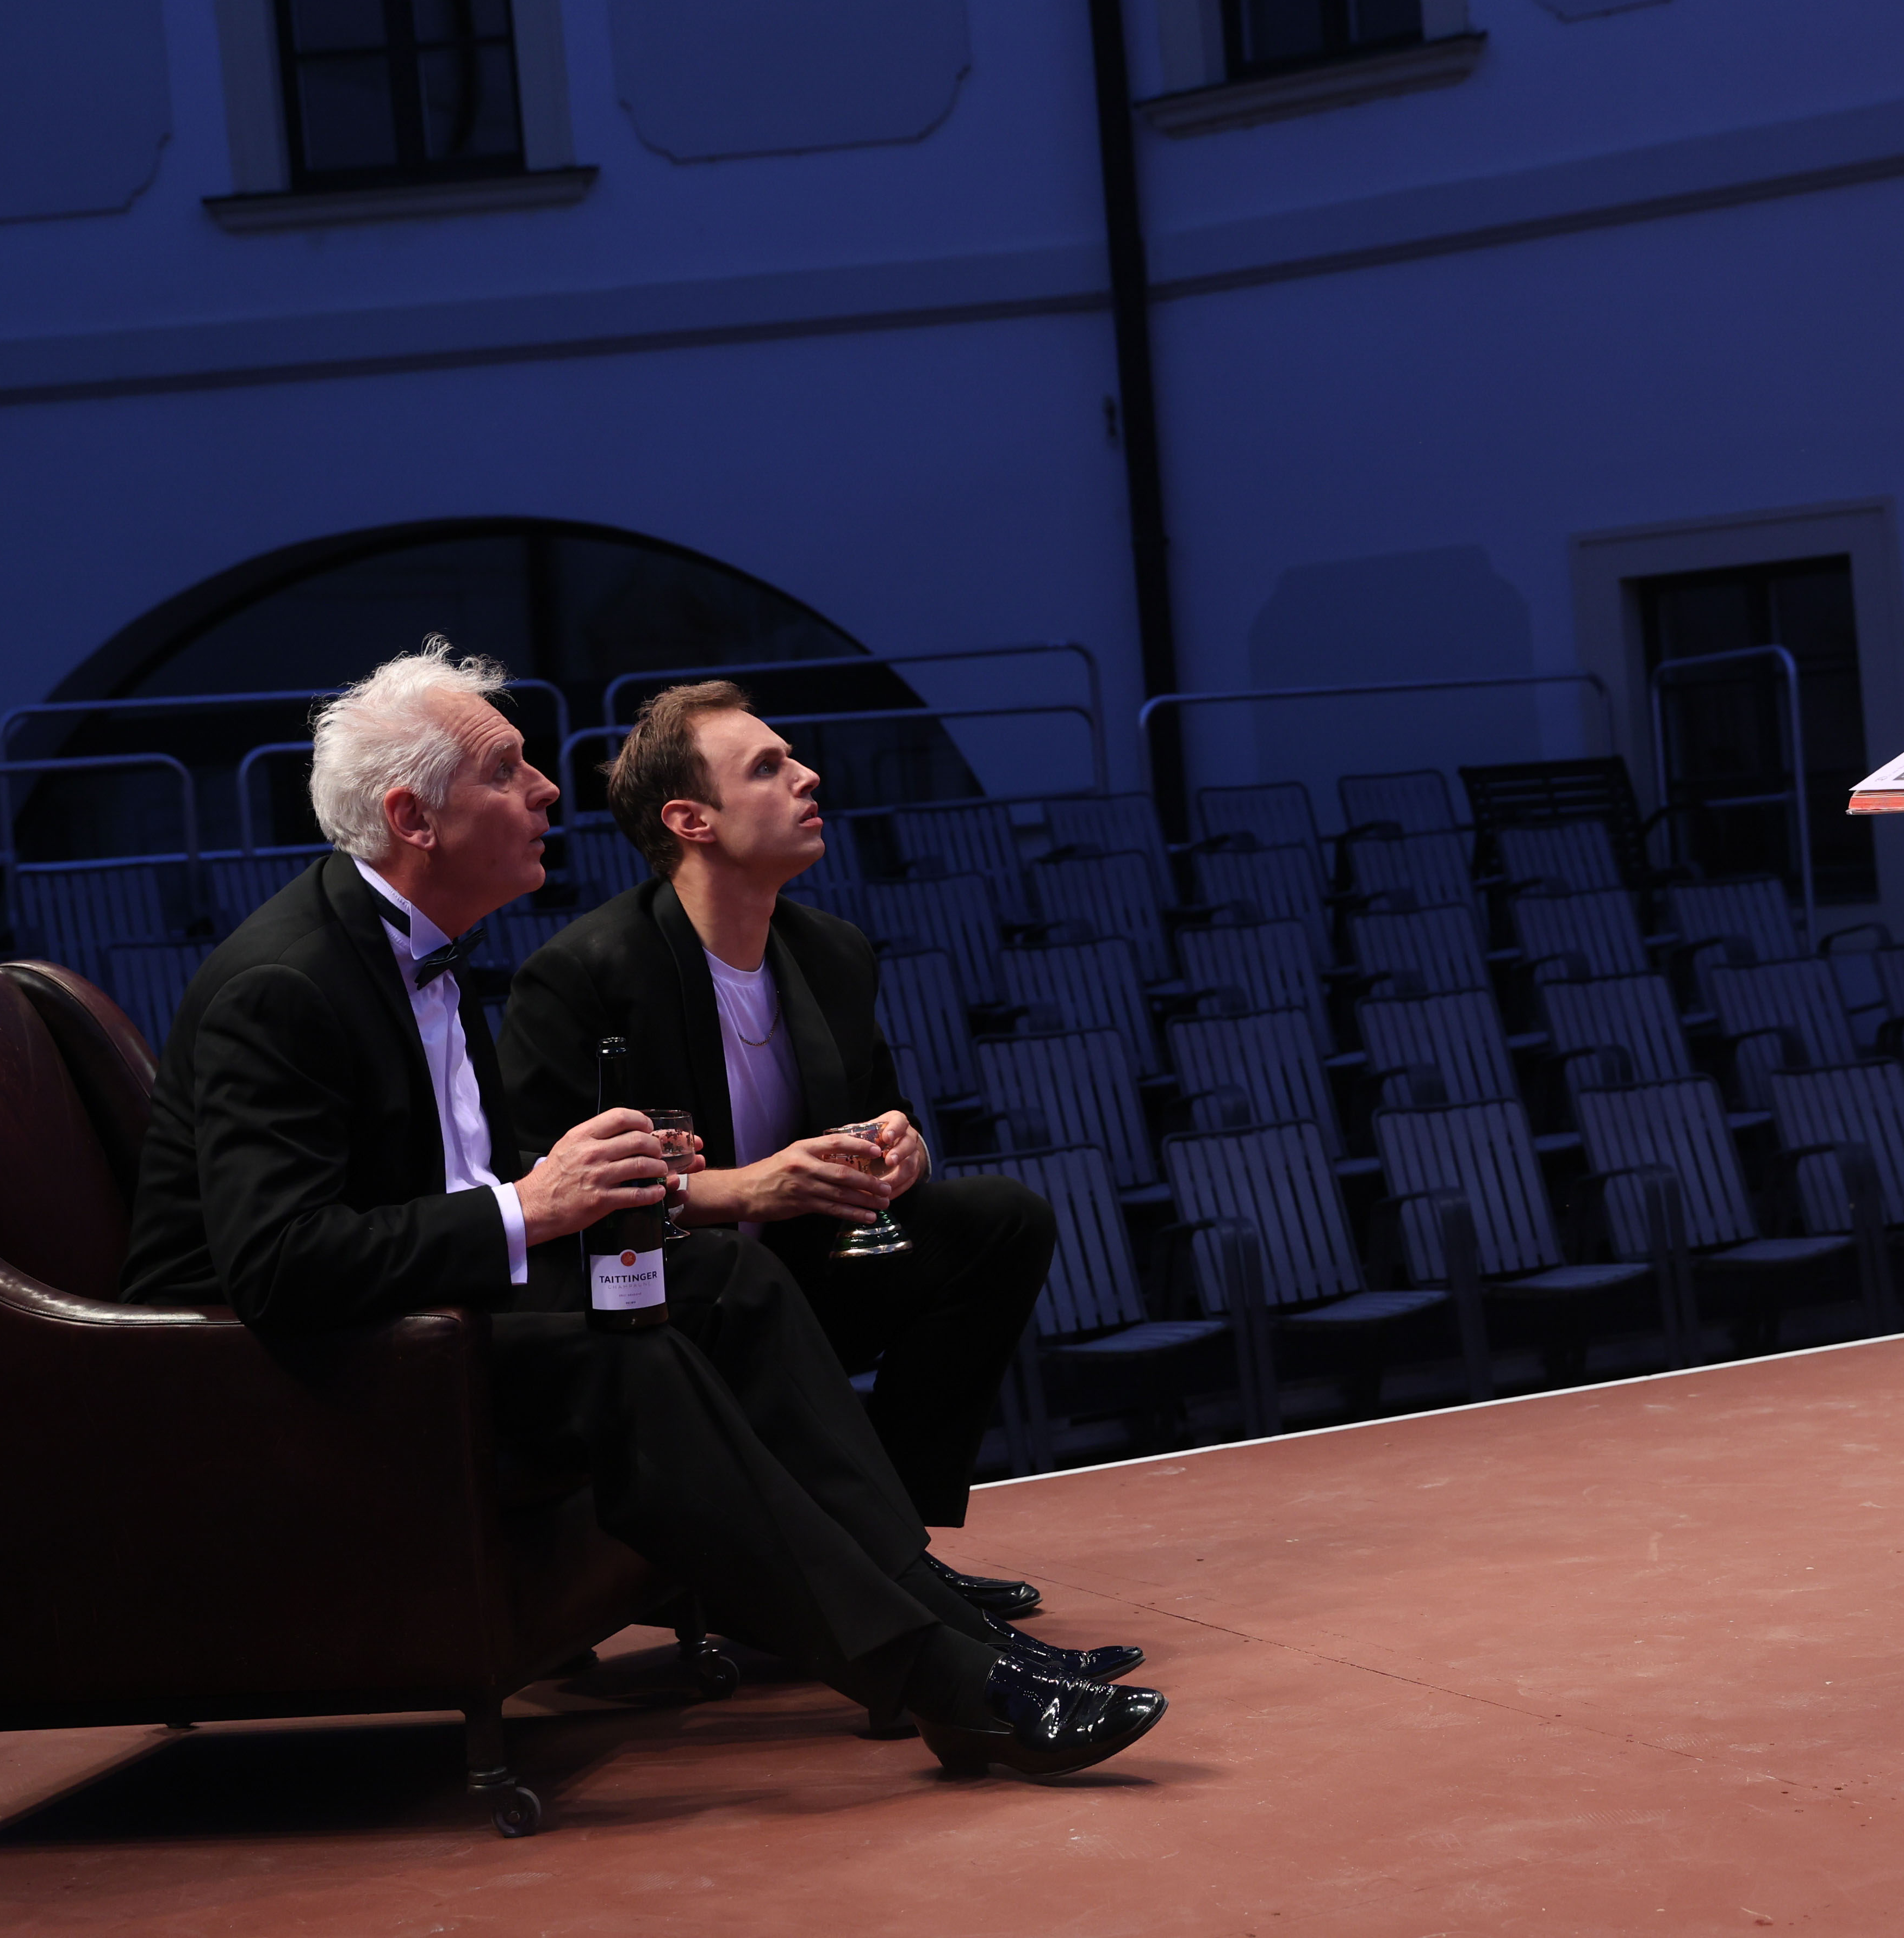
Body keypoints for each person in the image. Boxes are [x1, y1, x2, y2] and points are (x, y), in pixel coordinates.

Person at [119, 637, 1162, 1774]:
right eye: (508, 770)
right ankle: (950, 1683)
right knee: (636, 1351)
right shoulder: (286, 982)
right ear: (415, 820)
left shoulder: (415, 950)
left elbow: (443, 1191)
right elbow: (279, 1265)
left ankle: (948, 1622)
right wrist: (537, 1201)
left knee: (722, 1278)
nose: (547, 788)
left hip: (423, 1312)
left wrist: (611, 1180)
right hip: (278, 1376)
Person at [501, 680, 1060, 1621]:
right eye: (768, 768)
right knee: (735, 1272)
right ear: (692, 821)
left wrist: (903, 1148)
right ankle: (868, 1570)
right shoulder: (585, 973)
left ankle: (894, 1545)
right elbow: (549, 1200)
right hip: (662, 1303)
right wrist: (741, 1190)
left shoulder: (832, 950)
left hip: (802, 1276)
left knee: (1003, 1221)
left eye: (792, 758)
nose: (808, 777)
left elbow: (880, 1109)